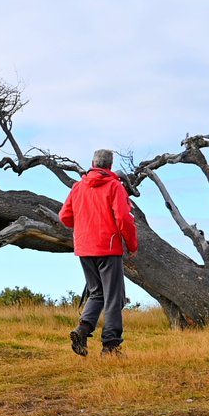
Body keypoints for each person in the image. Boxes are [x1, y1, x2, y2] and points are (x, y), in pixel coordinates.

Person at [59, 149, 139, 357]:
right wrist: (132, 244)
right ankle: (111, 346)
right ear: (110, 166)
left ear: (93, 163)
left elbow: (65, 217)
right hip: (108, 247)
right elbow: (123, 217)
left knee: (97, 293)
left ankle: (83, 330)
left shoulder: (78, 187)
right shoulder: (114, 186)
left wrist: (85, 227)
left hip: (85, 248)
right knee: (114, 297)